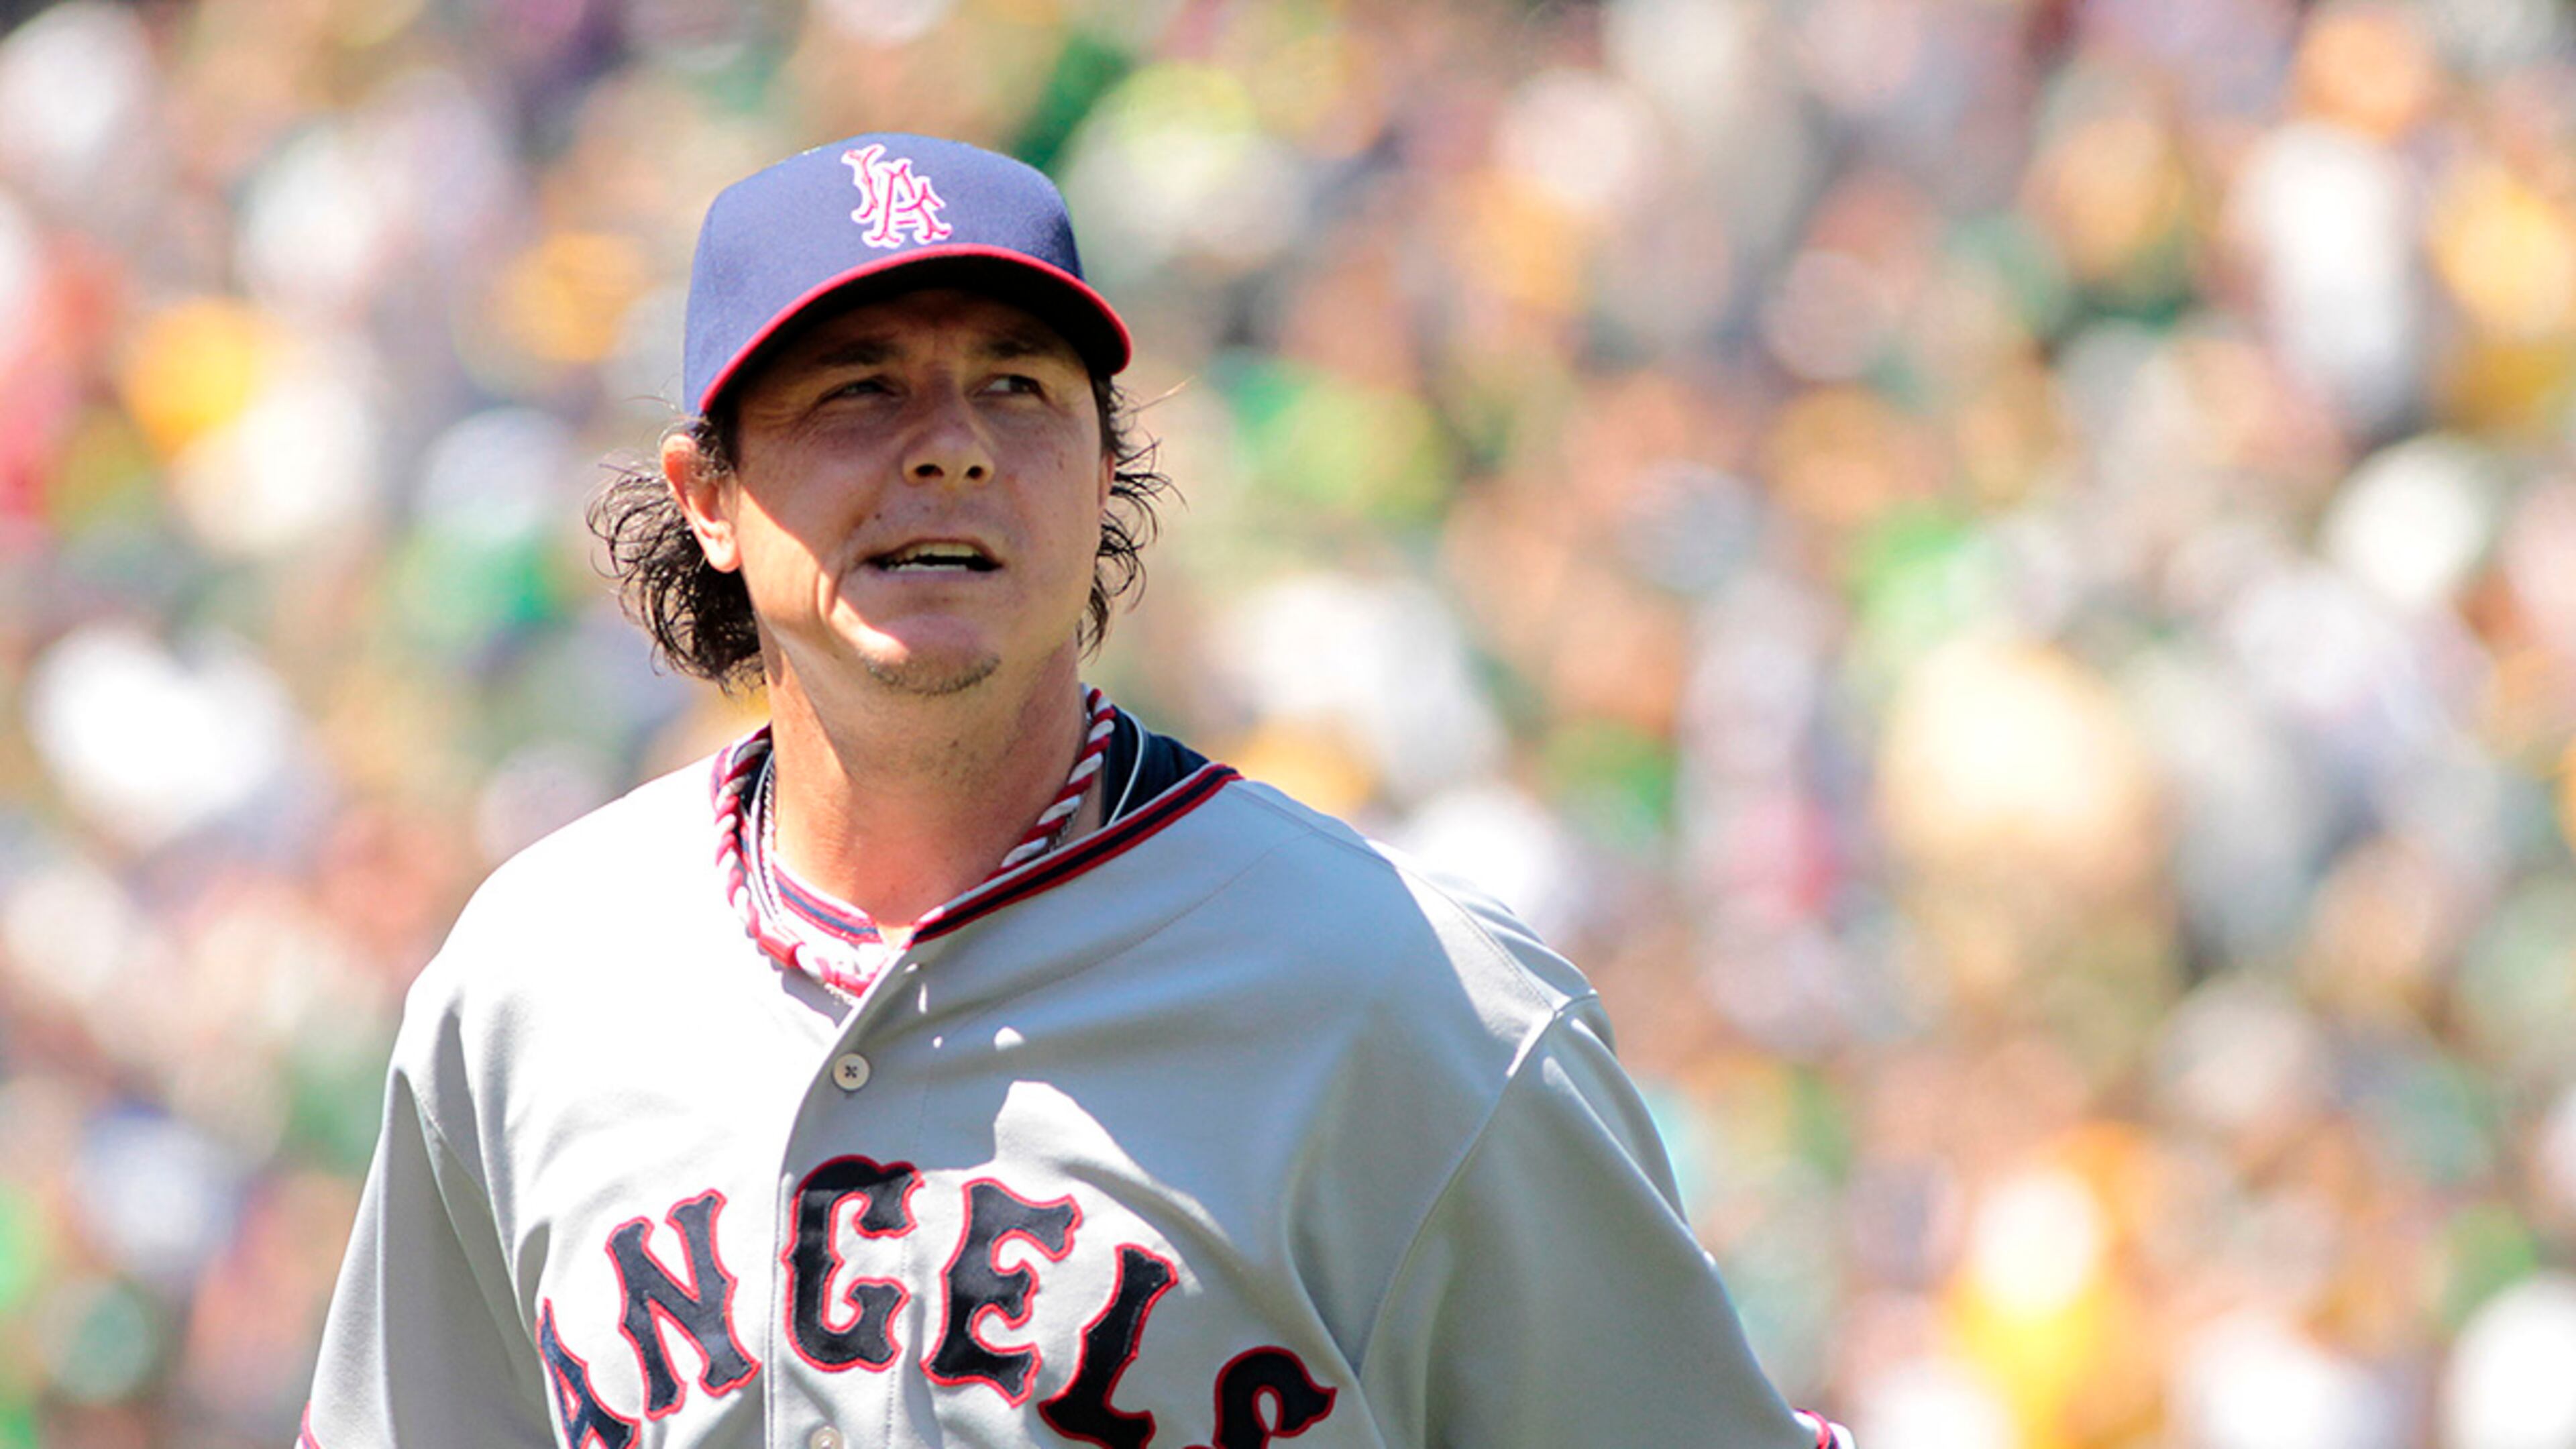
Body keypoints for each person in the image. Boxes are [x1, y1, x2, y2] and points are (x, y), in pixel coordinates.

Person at [299, 132, 1851, 1449]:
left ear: (1105, 473)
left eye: (1017, 388)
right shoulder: (533, 985)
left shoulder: (1414, 1005)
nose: (952, 452)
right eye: (859, 389)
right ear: (709, 495)